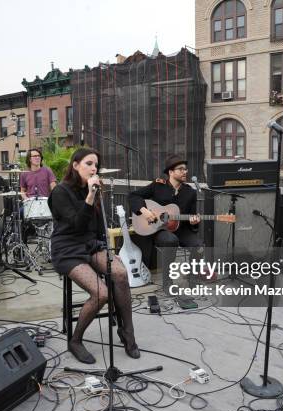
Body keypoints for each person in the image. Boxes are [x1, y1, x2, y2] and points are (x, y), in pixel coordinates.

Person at [48, 148, 139, 364]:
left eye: (96, 165)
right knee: (101, 294)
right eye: (89, 163)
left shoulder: (96, 190)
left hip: (90, 244)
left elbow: (98, 226)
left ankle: (128, 332)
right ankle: (76, 340)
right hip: (67, 248)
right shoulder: (60, 192)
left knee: (120, 273)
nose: (94, 168)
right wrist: (90, 196)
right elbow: (77, 224)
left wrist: (106, 249)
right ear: (75, 165)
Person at [128, 154, 202, 290]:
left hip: (181, 229)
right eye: (181, 169)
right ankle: (167, 282)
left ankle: (192, 279)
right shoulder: (158, 185)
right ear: (171, 172)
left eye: (186, 169)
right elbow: (133, 196)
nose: (185, 172)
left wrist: (194, 222)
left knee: (199, 245)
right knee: (170, 240)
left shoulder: (190, 192)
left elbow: (192, 217)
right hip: (160, 229)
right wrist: (144, 210)